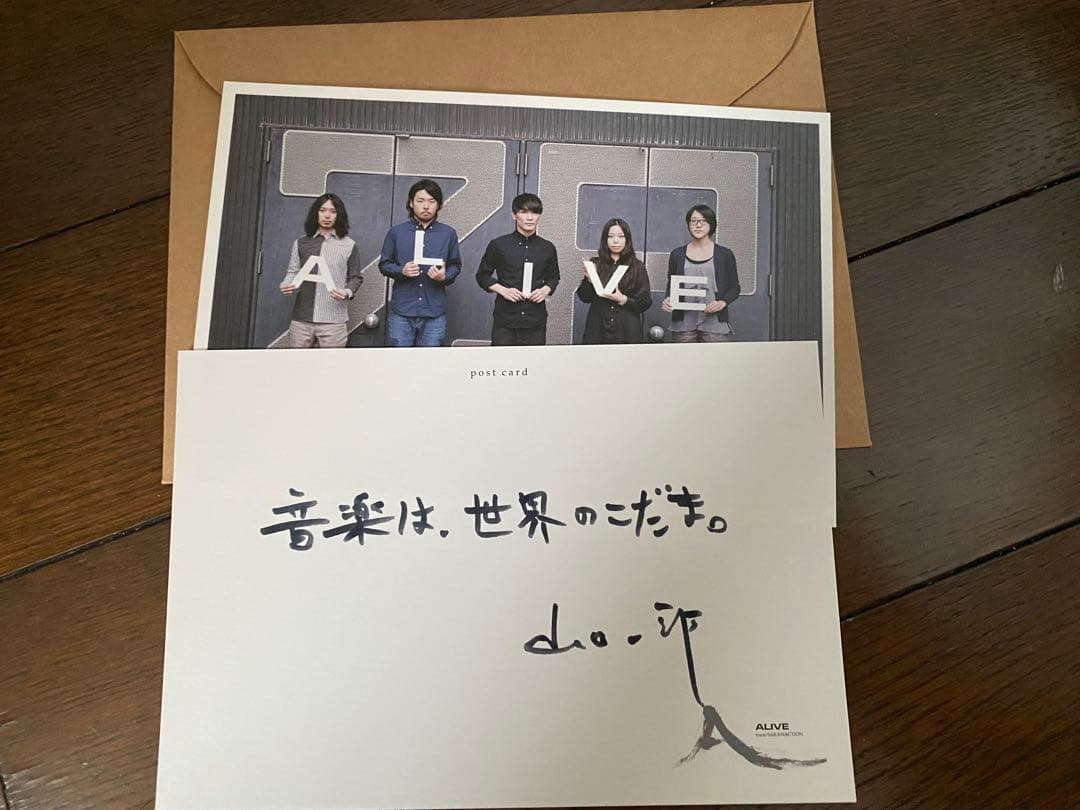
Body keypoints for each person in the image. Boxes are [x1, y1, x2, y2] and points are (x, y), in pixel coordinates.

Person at [378, 179, 462, 347]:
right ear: (411, 203)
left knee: (430, 361)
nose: (426, 206)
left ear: (438, 205)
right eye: (420, 201)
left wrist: (444, 276)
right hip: (402, 311)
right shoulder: (396, 232)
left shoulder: (448, 233)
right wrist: (401, 271)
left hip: (434, 312)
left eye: (431, 201)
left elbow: (455, 265)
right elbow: (384, 264)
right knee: (399, 360)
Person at [279, 193, 363, 349]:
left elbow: (355, 277)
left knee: (331, 364)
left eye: (333, 211)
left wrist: (347, 292)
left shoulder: (349, 245)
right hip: (302, 320)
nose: (327, 215)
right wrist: (286, 284)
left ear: (339, 215)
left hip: (334, 321)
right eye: (323, 210)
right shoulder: (301, 242)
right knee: (296, 362)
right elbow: (293, 271)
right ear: (316, 213)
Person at [476, 193, 560, 346]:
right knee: (502, 360)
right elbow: (482, 276)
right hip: (505, 320)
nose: (530, 217)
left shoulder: (548, 248)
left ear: (540, 217)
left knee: (534, 361)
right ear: (514, 215)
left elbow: (554, 277)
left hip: (535, 321)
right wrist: (503, 290)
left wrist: (544, 290)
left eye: (535, 212)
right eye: (524, 212)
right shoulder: (499, 245)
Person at [661, 204, 740, 342]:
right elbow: (671, 285)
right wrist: (668, 299)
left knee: (715, 356)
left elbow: (734, 287)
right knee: (684, 356)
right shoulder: (677, 254)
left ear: (711, 224)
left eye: (703, 221)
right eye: (694, 221)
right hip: (684, 324)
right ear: (688, 224)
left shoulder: (725, 254)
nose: (698, 225)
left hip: (715, 324)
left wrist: (723, 302)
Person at [575, 218, 652, 344]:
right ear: (605, 239)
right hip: (598, 330)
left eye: (621, 236)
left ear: (627, 239)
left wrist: (623, 299)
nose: (615, 241)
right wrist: (589, 281)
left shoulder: (637, 266)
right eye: (611, 236)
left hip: (626, 331)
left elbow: (645, 301)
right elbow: (584, 297)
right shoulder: (595, 263)